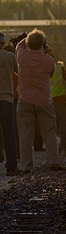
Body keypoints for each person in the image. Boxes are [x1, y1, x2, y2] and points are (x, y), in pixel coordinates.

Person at [16, 29, 66, 173]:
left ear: (28, 44)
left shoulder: (22, 58)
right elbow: (50, 74)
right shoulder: (49, 60)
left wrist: (25, 39)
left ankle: (26, 166)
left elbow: (18, 47)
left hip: (25, 100)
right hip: (44, 101)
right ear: (43, 44)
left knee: (26, 135)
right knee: (49, 133)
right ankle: (53, 161)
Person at [0, 32, 21, 176]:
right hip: (6, 99)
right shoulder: (10, 57)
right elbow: (19, 72)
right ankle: (12, 166)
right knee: (9, 133)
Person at [50, 57, 66, 150]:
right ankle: (64, 144)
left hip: (47, 100)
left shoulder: (41, 66)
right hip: (60, 99)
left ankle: (50, 146)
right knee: (64, 123)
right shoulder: (58, 67)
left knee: (49, 125)